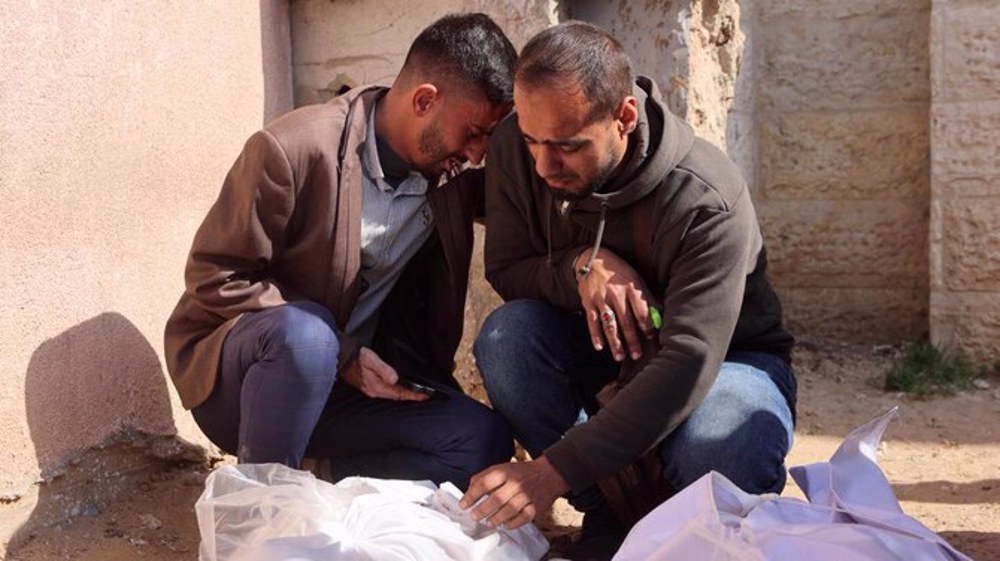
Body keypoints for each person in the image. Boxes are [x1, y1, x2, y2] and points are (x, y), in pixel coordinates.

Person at [461, 21, 796, 557]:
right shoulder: (516, 150)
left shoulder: (706, 198)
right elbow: (507, 268)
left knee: (724, 445)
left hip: (724, 365)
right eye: (532, 141)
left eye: (568, 147)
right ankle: (613, 517)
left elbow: (688, 360)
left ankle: (691, 531)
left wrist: (552, 472)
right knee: (507, 338)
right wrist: (580, 266)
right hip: (600, 352)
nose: (544, 166)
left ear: (624, 118)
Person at [163, 13, 518, 490]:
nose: (479, 153)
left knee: (482, 442)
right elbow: (214, 275)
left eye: (489, 138)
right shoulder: (291, 151)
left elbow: (537, 190)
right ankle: (263, 515)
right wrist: (344, 353)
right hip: (250, 382)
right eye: (474, 133)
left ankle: (321, 483)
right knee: (309, 339)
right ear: (425, 100)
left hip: (350, 393)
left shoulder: (454, 176)